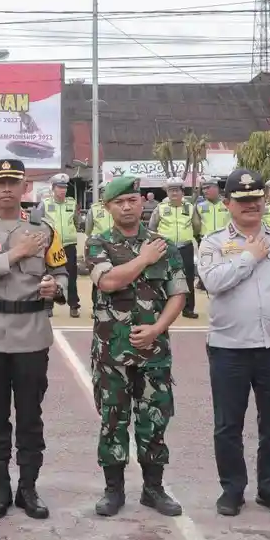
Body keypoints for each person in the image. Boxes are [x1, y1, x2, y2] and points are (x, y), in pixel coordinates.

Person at [197, 169, 270, 518]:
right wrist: (249, 256)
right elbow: (213, 281)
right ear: (228, 203)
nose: (250, 205)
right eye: (242, 200)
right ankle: (232, 490)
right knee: (228, 425)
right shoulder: (213, 243)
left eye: (256, 199)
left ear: (264, 201)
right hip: (228, 347)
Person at [0, 159, 68, 520]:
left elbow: (61, 271)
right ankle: (0, 487)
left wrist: (58, 288)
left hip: (32, 333)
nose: (6, 188)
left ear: (24, 187)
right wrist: (16, 254)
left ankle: (29, 488)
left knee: (30, 415)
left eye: (13, 182)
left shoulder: (45, 229)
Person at [86, 176, 186, 518]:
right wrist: (143, 259)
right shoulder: (97, 244)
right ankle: (113, 490)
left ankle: (153, 489)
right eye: (119, 202)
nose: (127, 206)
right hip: (112, 352)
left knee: (155, 420)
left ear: (142, 202)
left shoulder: (165, 245)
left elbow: (178, 293)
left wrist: (158, 328)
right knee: (113, 420)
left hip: (154, 352)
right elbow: (109, 280)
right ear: (108, 208)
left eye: (132, 199)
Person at [149, 177, 200, 319]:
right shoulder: (160, 207)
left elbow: (196, 226)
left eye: (177, 190)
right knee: (165, 276)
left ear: (182, 192)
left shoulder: (190, 207)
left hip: (185, 247)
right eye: (171, 190)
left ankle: (188, 309)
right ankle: (164, 308)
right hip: (167, 247)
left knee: (188, 278)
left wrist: (187, 236)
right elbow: (152, 227)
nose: (174, 193)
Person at [39, 173, 82, 318]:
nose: (62, 190)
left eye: (64, 187)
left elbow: (77, 222)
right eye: (59, 187)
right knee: (48, 276)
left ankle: (74, 305)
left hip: (69, 245)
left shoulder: (72, 203)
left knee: (71, 276)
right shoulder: (45, 203)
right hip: (51, 247)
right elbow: (37, 223)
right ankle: (47, 305)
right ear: (53, 188)